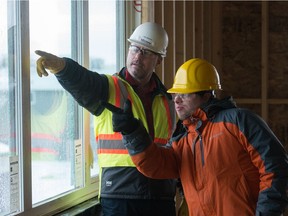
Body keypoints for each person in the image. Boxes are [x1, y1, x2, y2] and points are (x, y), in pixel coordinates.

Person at [104, 58, 288, 216]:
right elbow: (156, 165)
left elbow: (275, 168)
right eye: (175, 93)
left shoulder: (239, 121)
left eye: (184, 94)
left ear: (206, 95)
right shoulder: (183, 137)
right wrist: (132, 131)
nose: (176, 99)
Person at [35, 22, 177, 216]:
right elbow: (84, 81)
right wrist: (62, 67)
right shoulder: (109, 87)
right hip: (120, 194)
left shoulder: (168, 100)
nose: (137, 56)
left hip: (161, 196)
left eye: (146, 52)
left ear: (159, 60)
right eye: (134, 48)